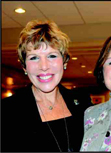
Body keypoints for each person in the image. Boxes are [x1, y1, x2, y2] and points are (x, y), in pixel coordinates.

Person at [2, 20, 92, 152]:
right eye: (34, 58)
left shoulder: (83, 103)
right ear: (24, 66)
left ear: (65, 61)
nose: (44, 66)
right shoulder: (6, 112)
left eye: (51, 56)